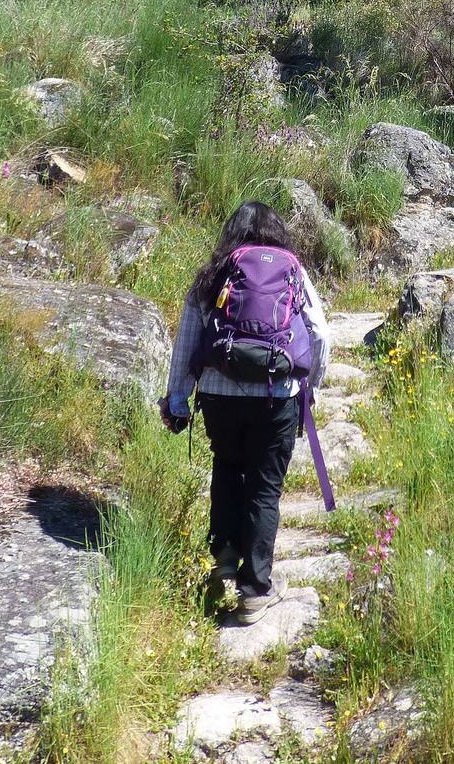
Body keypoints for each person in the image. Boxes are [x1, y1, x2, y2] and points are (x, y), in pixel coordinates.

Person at [162, 200, 329, 625]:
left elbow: (187, 339)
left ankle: (223, 558)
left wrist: (177, 400)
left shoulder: (216, 271)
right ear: (277, 232)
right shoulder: (293, 268)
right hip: (277, 394)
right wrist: (311, 386)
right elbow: (320, 334)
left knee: (226, 468)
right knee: (264, 488)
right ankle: (255, 591)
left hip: (219, 394)